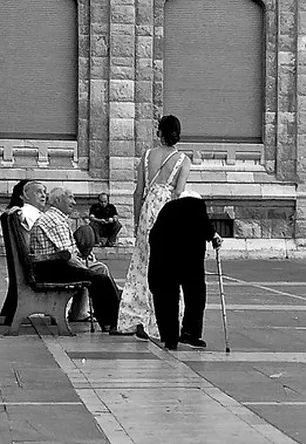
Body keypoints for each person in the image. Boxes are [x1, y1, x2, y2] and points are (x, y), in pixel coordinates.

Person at [116, 114, 190, 340]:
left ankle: (136, 314)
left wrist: (137, 221)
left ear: (159, 132)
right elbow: (178, 193)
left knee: (142, 263)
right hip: (167, 212)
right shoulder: (183, 160)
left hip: (147, 211)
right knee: (168, 266)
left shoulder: (147, 156)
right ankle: (163, 318)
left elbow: (138, 192)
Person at [26, 187, 122, 329]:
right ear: (58, 200)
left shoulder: (55, 218)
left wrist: (85, 259)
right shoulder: (54, 221)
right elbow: (68, 256)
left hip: (51, 265)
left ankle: (80, 312)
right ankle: (111, 322)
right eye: (70, 198)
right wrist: (85, 267)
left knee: (98, 269)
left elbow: (69, 251)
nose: (74, 202)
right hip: (53, 268)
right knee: (100, 278)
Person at [148, 188, 223, 351]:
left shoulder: (168, 208)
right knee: (195, 297)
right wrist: (214, 236)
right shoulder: (196, 205)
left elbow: (153, 236)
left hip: (163, 260)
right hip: (190, 261)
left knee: (166, 299)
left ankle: (170, 338)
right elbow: (204, 225)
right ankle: (190, 333)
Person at [0, 179, 35, 324]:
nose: (44, 196)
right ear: (23, 196)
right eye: (37, 192)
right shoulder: (26, 214)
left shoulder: (15, 213)